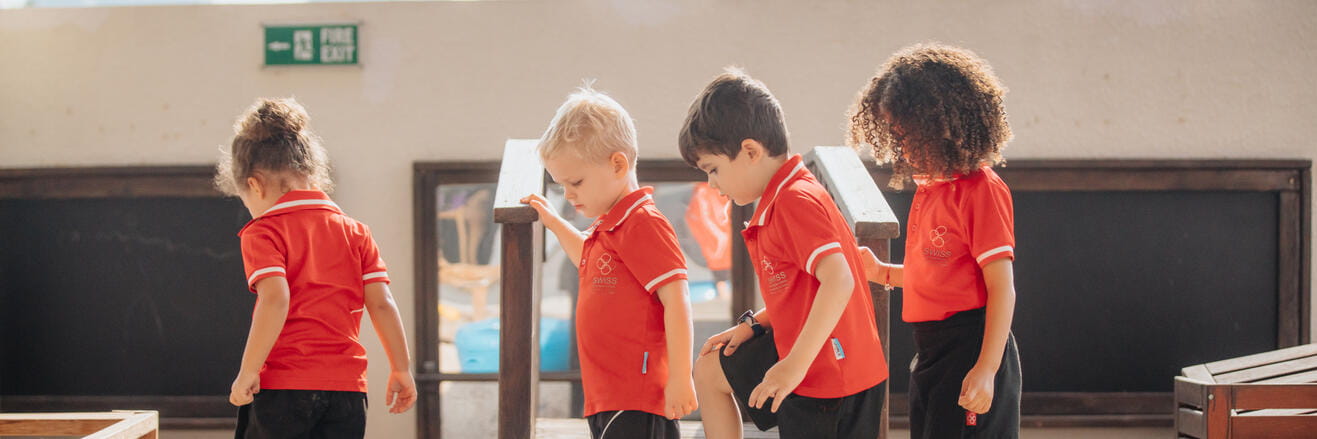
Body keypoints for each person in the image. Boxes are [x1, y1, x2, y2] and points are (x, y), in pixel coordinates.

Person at [680, 69, 887, 439]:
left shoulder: (796, 200)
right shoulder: (783, 197)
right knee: (711, 369)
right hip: (808, 356)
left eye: (713, 170)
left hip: (830, 377)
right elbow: (800, 291)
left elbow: (840, 279)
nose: (712, 184)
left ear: (750, 151)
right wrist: (753, 325)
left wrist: (793, 366)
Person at [848, 42, 1022, 438]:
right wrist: (882, 272)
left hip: (971, 345)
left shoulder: (981, 190)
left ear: (942, 126)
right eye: (896, 131)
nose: (902, 142)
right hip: (930, 351)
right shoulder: (930, 190)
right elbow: (937, 274)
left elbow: (1002, 289)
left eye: (908, 131)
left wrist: (986, 370)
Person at [216, 97, 416, 438]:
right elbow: (382, 303)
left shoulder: (263, 231)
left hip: (283, 388)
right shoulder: (356, 231)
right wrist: (401, 368)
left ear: (254, 184)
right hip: (347, 392)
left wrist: (248, 371)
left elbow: (276, 299)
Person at [520, 85, 697, 439]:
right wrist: (554, 222)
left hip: (637, 396)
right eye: (561, 185)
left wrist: (681, 377)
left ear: (617, 164)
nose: (568, 194)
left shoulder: (642, 222)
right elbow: (586, 258)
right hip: (608, 394)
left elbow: (677, 300)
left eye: (576, 182)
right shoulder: (610, 227)